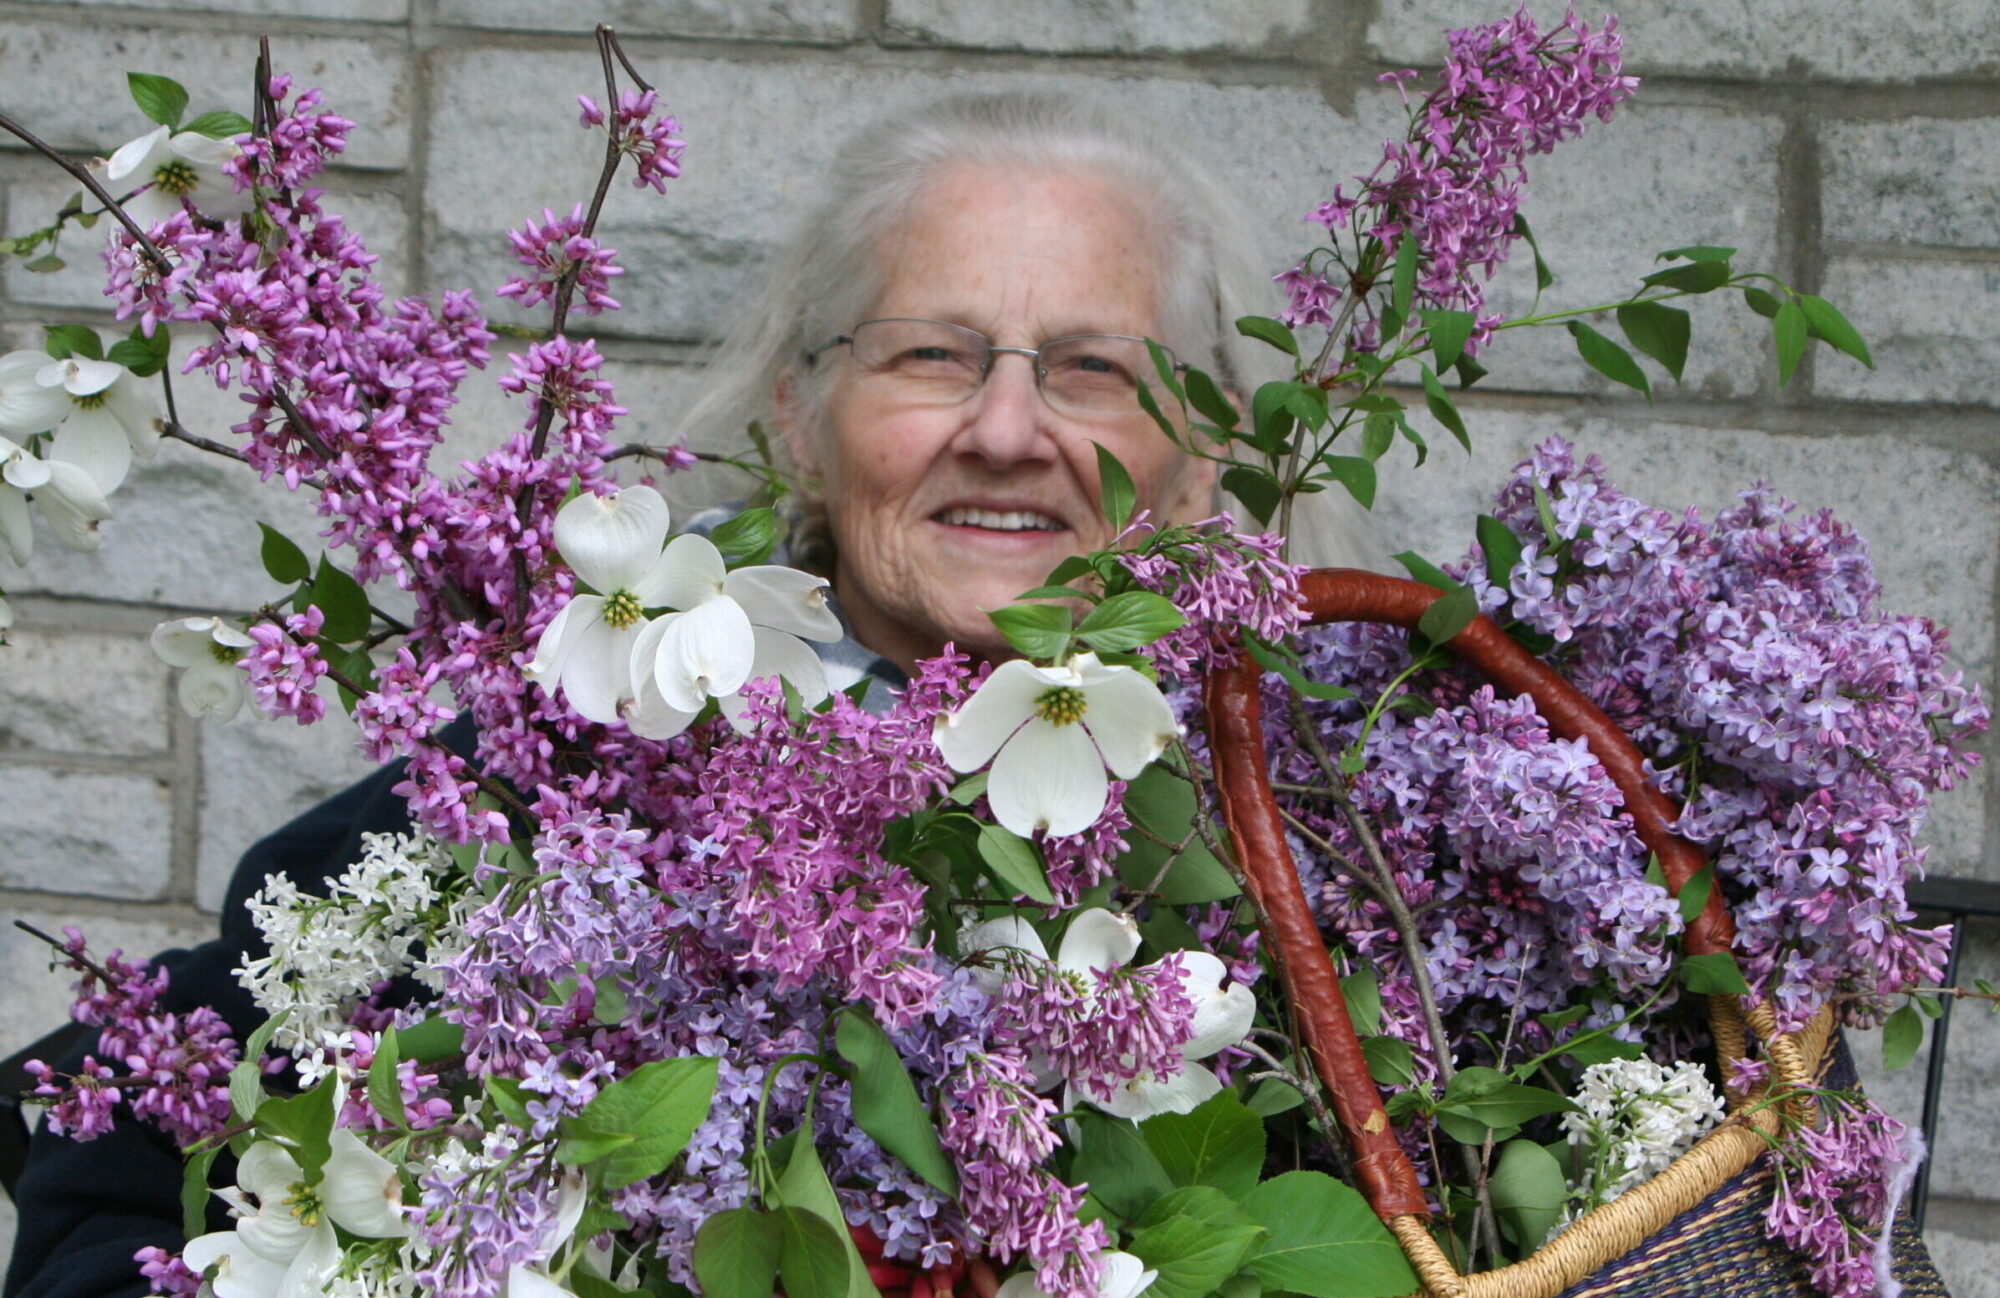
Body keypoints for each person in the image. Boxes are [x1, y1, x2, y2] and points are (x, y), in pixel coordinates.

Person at [3, 90, 1372, 1298]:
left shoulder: (1347, 843)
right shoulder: (567, 792)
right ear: (800, 415)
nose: (1007, 431)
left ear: (1208, 458)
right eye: (930, 353)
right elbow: (114, 1179)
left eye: (1095, 368)